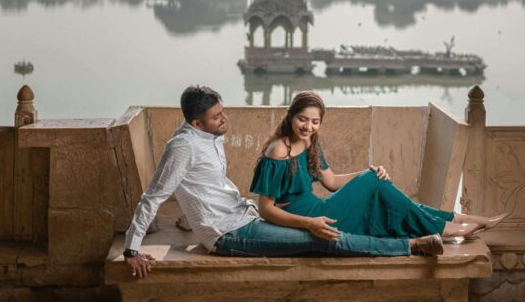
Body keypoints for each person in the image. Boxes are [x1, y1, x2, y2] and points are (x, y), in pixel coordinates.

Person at [123, 86, 445, 279]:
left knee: (329, 225)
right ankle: (411, 246)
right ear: (196, 123)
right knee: (322, 239)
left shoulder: (209, 136)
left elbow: (203, 186)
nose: (225, 119)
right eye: (217, 116)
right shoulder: (181, 148)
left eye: (222, 112)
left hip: (242, 214)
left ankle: (433, 226)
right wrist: (130, 251)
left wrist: (189, 216)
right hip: (228, 234)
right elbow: (152, 197)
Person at [250, 91, 506, 245]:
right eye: (302, 119)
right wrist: (309, 224)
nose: (308, 126)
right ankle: (445, 226)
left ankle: (456, 218)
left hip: (319, 208)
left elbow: (331, 181)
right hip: (311, 217)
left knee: (374, 179)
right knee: (375, 184)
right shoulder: (279, 150)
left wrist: (366, 172)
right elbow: (265, 209)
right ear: (291, 117)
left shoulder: (310, 143)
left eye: (315, 122)